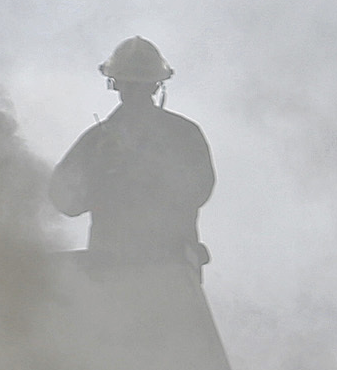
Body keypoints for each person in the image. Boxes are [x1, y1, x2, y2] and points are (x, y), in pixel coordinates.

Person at [49, 38, 215, 269]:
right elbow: (200, 190)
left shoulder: (96, 141)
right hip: (166, 274)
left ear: (115, 84)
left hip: (125, 274)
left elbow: (65, 201)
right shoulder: (185, 134)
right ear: (157, 85)